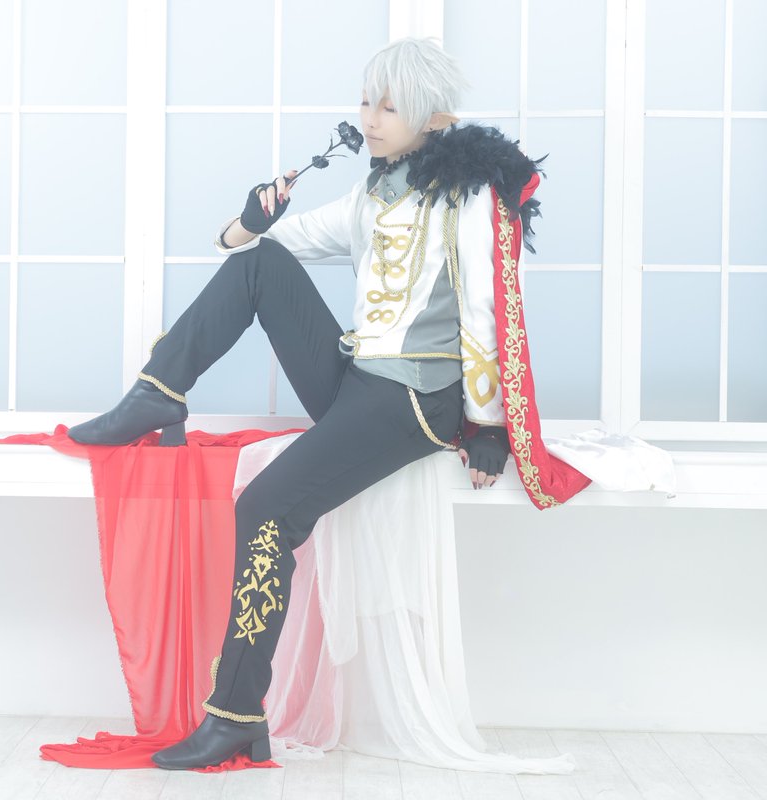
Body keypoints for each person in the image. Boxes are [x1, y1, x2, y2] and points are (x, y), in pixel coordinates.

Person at [68, 36, 544, 770]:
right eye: (367, 102)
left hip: (416, 398)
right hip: (359, 381)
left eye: (390, 107)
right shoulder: (372, 195)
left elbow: (486, 310)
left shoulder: (470, 193)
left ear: (435, 117)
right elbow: (257, 251)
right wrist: (250, 220)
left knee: (265, 510)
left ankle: (236, 714)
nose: (371, 118)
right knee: (263, 263)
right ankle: (157, 394)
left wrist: (486, 426)